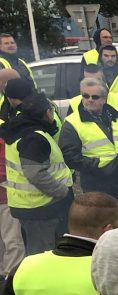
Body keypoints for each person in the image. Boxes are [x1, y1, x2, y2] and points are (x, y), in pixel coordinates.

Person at [59, 78, 118, 228]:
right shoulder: (72, 122)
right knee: (100, 225)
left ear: (104, 99)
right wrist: (97, 165)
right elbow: (70, 156)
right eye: (85, 96)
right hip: (96, 183)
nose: (89, 100)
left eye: (94, 97)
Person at [1, 93, 73, 255]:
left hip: (29, 204)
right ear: (47, 113)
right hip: (41, 206)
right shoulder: (33, 137)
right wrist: (62, 191)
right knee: (42, 253)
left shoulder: (20, 130)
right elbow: (34, 173)